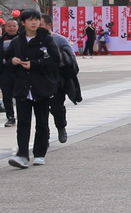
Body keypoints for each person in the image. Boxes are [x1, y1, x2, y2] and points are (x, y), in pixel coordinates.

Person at [5, 10, 60, 169]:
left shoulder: (46, 40)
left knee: (42, 122)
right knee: (23, 122)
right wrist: (12, 61)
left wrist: (35, 64)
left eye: (36, 19)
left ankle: (40, 153)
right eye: (30, 20)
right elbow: (7, 62)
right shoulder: (17, 42)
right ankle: (22, 154)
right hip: (22, 87)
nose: (34, 22)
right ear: (23, 23)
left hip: (41, 87)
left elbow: (54, 61)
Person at [42, 14, 82, 144]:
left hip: (57, 81)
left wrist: (60, 60)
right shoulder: (33, 41)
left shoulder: (59, 40)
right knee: (41, 110)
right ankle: (44, 135)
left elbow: (71, 59)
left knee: (57, 107)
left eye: (41, 24)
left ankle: (61, 126)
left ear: (49, 25)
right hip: (39, 81)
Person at [1, 19, 19, 127]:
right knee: (7, 95)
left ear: (17, 27)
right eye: (9, 26)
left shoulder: (22, 39)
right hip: (5, 71)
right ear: (5, 28)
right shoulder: (2, 40)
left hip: (19, 70)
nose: (12, 28)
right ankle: (10, 117)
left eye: (14, 26)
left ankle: (22, 116)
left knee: (20, 95)